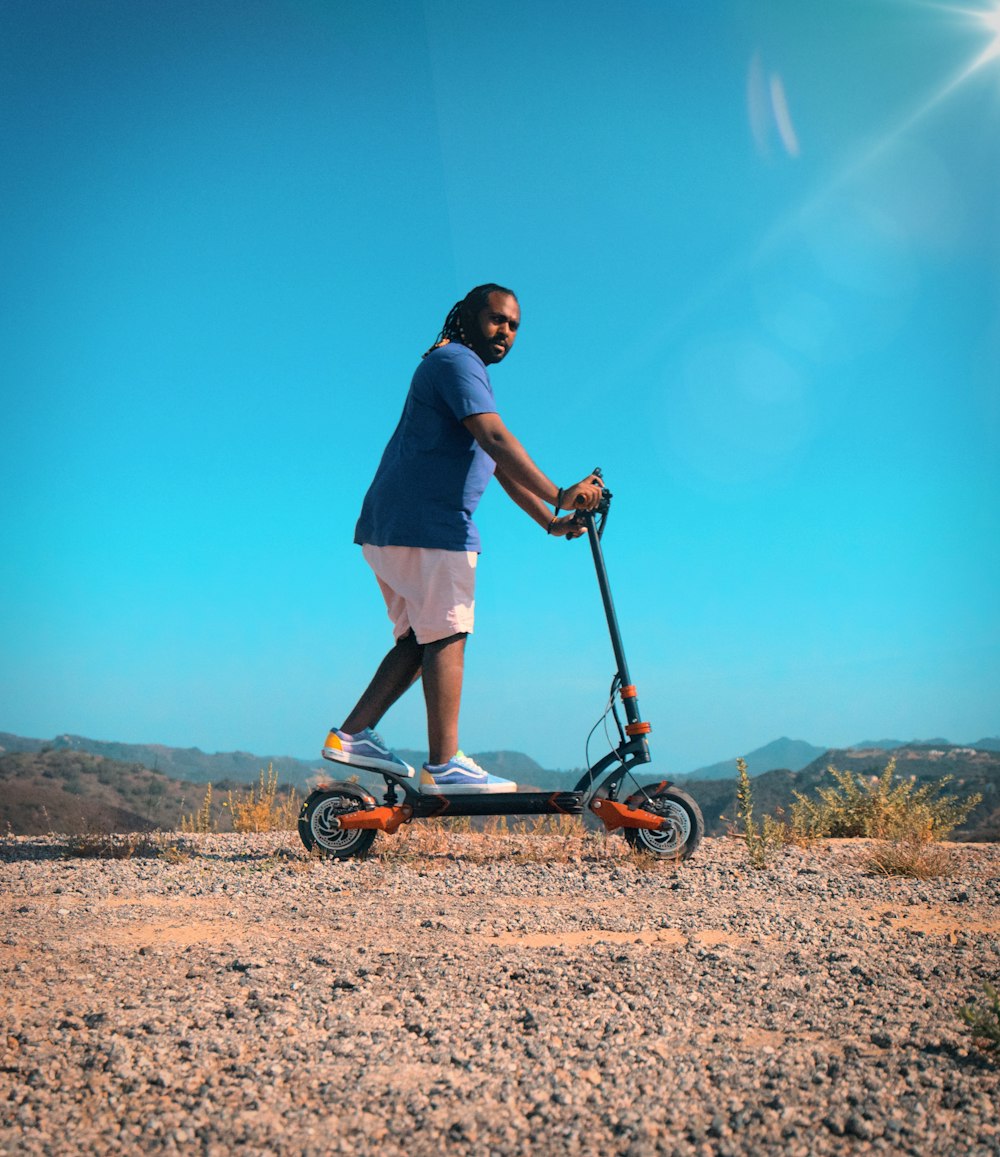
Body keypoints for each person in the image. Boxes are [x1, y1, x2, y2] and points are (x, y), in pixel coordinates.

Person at [322, 283, 602, 794]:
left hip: (392, 528)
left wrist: (548, 519)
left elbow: (492, 462)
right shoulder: (457, 363)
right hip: (432, 526)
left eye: (514, 326)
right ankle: (445, 764)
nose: (506, 332)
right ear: (468, 317)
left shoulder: (455, 370)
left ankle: (354, 733)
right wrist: (562, 494)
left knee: (419, 640)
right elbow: (495, 439)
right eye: (497, 319)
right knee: (448, 632)